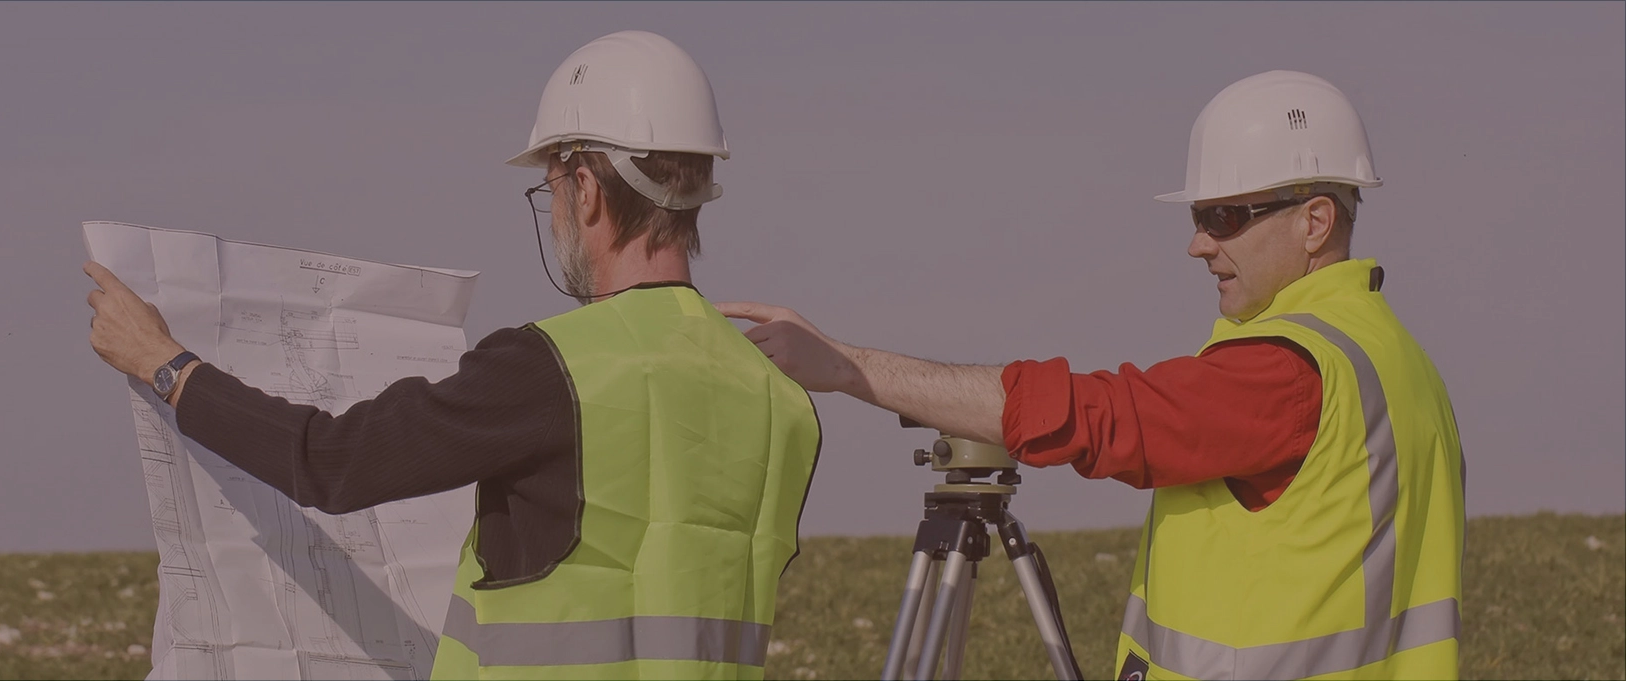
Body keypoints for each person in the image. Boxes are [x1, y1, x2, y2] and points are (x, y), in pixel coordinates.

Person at [85, 30, 821, 680]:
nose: (557, 207)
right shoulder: (778, 398)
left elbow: (330, 462)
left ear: (588, 188)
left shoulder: (551, 368)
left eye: (552, 187)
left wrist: (167, 364)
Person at [718, 70, 1465, 680]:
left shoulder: (1287, 372)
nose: (1199, 244)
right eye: (1199, 215)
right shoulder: (1395, 360)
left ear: (1315, 222)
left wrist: (849, 368)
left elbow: (1098, 416)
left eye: (1229, 216)